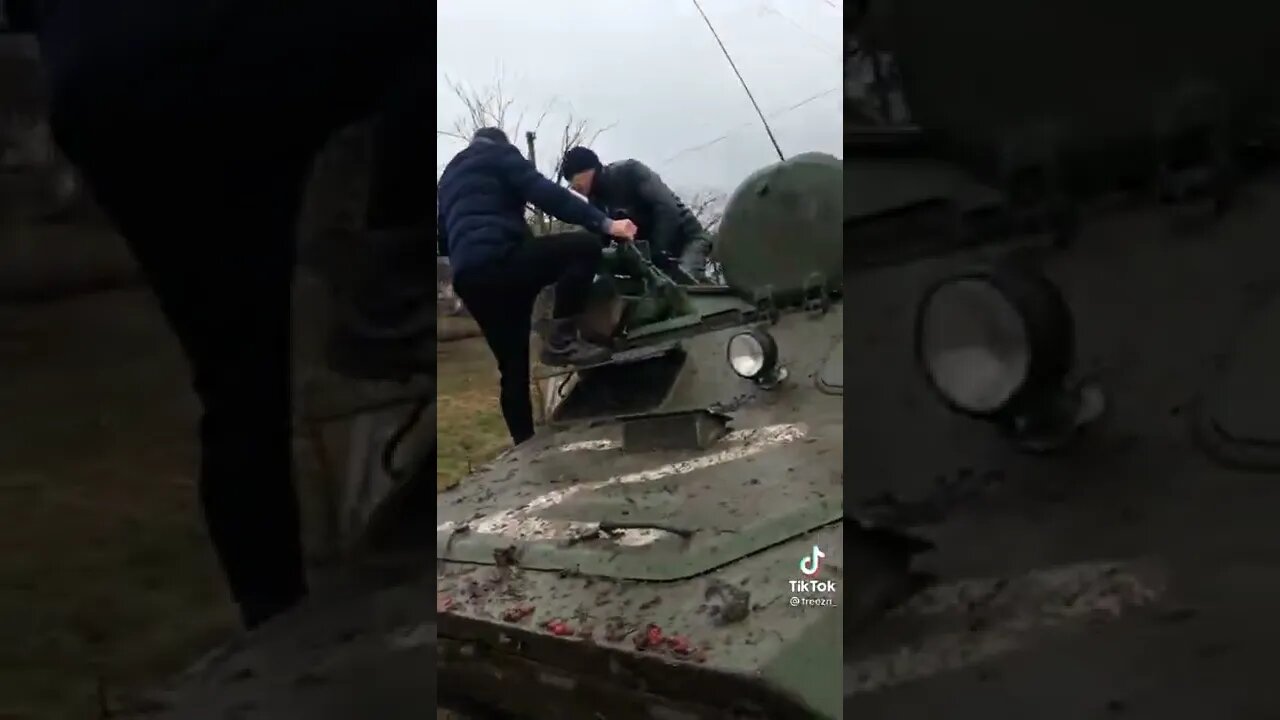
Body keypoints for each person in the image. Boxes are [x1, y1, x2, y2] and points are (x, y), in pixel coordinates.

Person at [22, 0, 433, 629]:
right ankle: (388, 298)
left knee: (239, 392)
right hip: (212, 51)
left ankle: (274, 630)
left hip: (102, 93)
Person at [437, 127, 637, 446]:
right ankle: (562, 340)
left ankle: (524, 447)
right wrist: (606, 224)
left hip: (471, 279)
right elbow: (545, 193)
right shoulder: (499, 154)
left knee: (512, 368)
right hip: (504, 259)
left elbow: (443, 238)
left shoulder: (448, 178)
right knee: (584, 248)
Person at [560, 146, 715, 282]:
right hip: (650, 255)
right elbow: (598, 240)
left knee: (684, 284)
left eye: (574, 176)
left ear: (590, 169)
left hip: (688, 240)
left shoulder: (630, 172)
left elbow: (667, 208)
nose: (573, 185)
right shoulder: (595, 203)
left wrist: (659, 249)